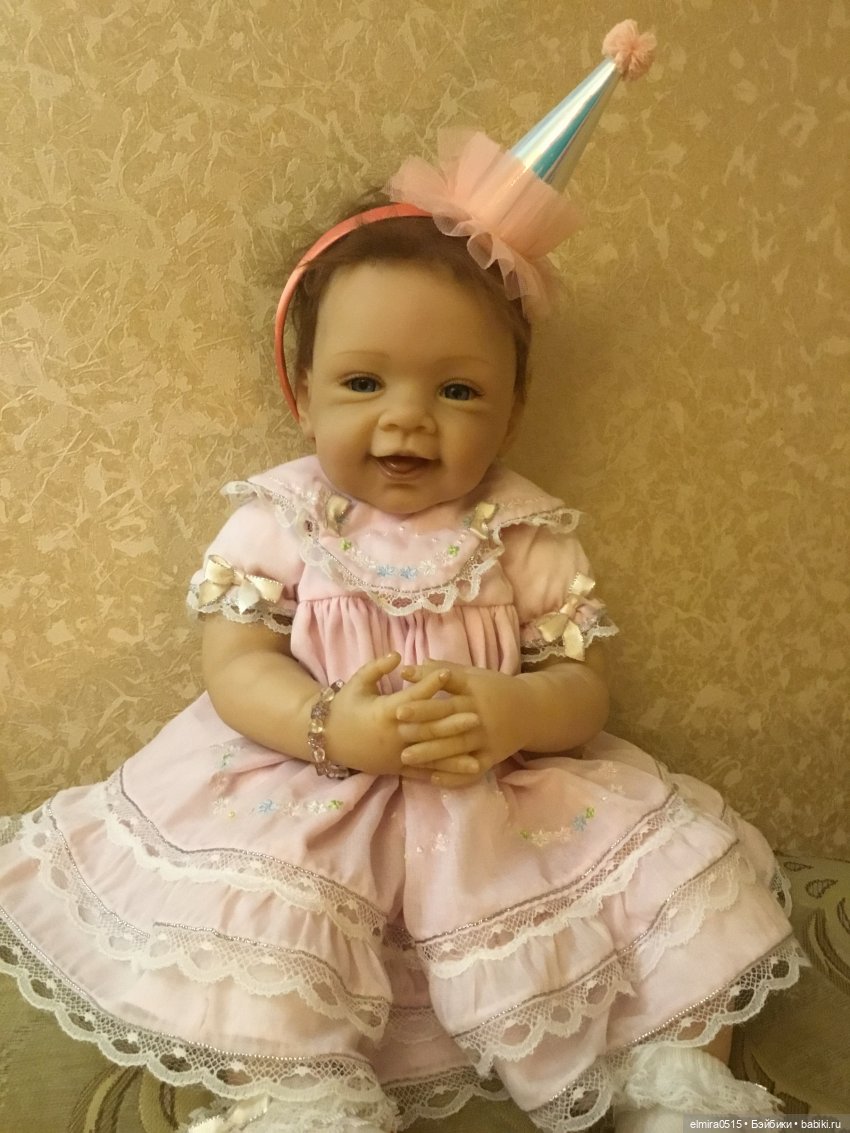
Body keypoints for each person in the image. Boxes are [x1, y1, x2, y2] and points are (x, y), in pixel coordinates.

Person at [0, 22, 805, 1133]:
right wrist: (329, 721)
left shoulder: (523, 531)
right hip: (309, 790)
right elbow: (234, 660)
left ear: (511, 409)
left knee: (662, 903)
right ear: (303, 395)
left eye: (457, 390)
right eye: (364, 382)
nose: (408, 420)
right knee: (271, 942)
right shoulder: (285, 518)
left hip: (501, 804)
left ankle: (672, 1084)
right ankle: (300, 1092)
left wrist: (516, 707)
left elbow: (582, 684)